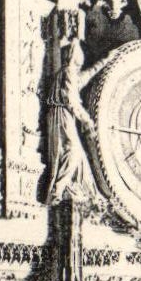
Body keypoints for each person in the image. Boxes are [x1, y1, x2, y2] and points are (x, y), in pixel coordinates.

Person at [46, 38, 102, 206]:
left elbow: (85, 76)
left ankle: (88, 194)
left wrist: (105, 61)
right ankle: (57, 190)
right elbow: (71, 100)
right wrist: (86, 120)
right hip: (62, 115)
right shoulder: (68, 71)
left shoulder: (69, 72)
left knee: (78, 157)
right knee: (72, 151)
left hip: (61, 115)